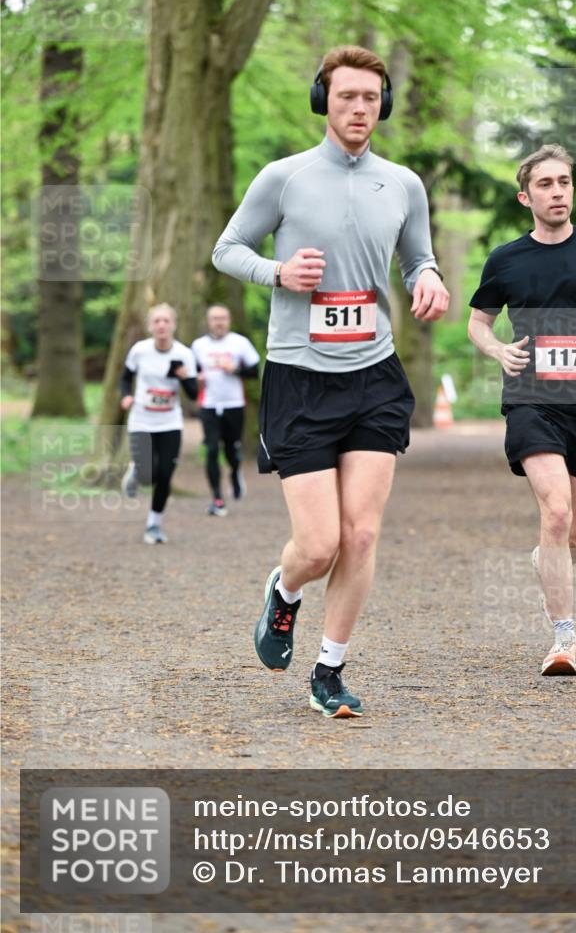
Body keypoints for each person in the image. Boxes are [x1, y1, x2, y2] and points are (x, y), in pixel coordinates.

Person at [212, 45, 449, 717]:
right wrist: (276, 273)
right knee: (318, 546)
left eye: (370, 98)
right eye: (345, 96)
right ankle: (284, 593)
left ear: (384, 105)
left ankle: (329, 670)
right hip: (299, 378)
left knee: (363, 534)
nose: (358, 109)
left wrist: (427, 279)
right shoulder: (282, 179)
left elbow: (418, 260)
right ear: (323, 99)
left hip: (374, 375)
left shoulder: (402, 184)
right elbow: (226, 250)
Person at [468, 144, 576, 676]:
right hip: (531, 399)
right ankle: (564, 637)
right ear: (526, 196)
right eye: (545, 184)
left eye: (564, 182)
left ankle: (548, 560)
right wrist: (498, 350)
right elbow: (478, 322)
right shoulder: (506, 259)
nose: (558, 192)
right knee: (557, 511)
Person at [120, 303, 198, 544]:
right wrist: (126, 396)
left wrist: (185, 378)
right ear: (150, 326)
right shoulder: (139, 350)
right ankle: (135, 474)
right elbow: (125, 378)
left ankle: (153, 525)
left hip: (169, 422)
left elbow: (194, 394)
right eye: (157, 321)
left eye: (166, 321)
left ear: (173, 325)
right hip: (142, 419)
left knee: (165, 474)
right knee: (147, 474)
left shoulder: (184, 354)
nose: (161, 325)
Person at [191, 305, 260, 515]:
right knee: (211, 449)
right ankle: (217, 498)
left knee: (231, 450)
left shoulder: (239, 343)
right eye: (214, 318)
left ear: (228, 320)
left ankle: (235, 472)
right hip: (209, 405)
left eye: (222, 318)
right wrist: (197, 379)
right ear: (208, 321)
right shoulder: (198, 345)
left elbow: (255, 371)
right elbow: (192, 374)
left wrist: (236, 369)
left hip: (234, 404)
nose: (218, 322)